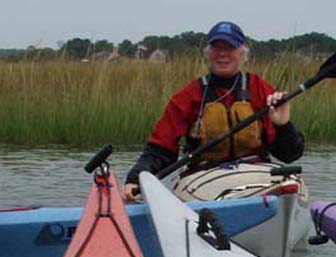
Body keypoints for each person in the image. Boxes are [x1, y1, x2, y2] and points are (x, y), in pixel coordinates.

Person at [122, 21, 305, 201]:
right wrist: (135, 179)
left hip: (256, 174)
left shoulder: (261, 90)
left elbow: (289, 155)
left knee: (291, 184)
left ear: (243, 53)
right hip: (204, 178)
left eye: (230, 48)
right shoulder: (188, 96)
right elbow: (160, 150)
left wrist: (283, 126)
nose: (222, 54)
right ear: (208, 54)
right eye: (217, 48)